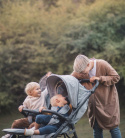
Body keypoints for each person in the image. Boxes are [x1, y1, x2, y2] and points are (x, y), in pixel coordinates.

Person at [71, 54, 122, 138]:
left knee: (114, 127)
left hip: (107, 102)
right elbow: (70, 79)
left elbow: (116, 77)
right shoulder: (80, 70)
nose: (82, 75)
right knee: (96, 128)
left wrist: (100, 78)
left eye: (83, 72)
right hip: (94, 105)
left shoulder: (102, 64)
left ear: (88, 64)